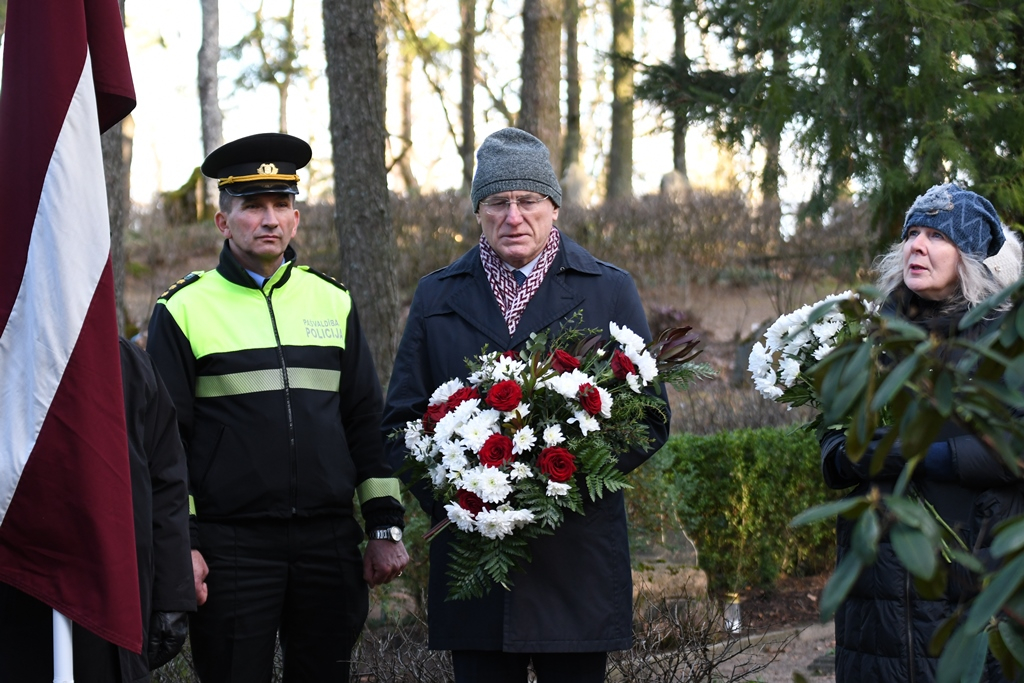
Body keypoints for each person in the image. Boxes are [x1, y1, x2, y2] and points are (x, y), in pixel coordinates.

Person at [381, 127, 670, 683]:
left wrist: (557, 480)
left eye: (528, 201)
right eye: (498, 202)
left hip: (574, 560)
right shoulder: (437, 297)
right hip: (476, 563)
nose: (514, 217)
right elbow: (400, 423)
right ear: (478, 211)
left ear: (554, 207)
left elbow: (650, 417)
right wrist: (458, 494)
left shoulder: (608, 290)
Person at [146, 132, 409, 682]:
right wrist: (184, 545)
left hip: (329, 542)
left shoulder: (332, 301)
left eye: (281, 205)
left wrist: (384, 526)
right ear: (224, 222)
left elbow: (364, 420)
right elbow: (167, 446)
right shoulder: (183, 310)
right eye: (253, 207)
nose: (269, 219)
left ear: (296, 219)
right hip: (231, 548)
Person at [820, 183, 1024, 682]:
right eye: (913, 233)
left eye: (937, 235)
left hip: (973, 575)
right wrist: (860, 456)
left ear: (971, 257)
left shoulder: (1007, 341)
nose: (917, 245)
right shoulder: (870, 336)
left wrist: (926, 456)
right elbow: (830, 445)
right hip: (878, 598)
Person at [0, 337, 196, 682]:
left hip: (113, 605)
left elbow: (166, 487)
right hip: (19, 602)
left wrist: (170, 597)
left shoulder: (130, 365)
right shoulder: (11, 350)